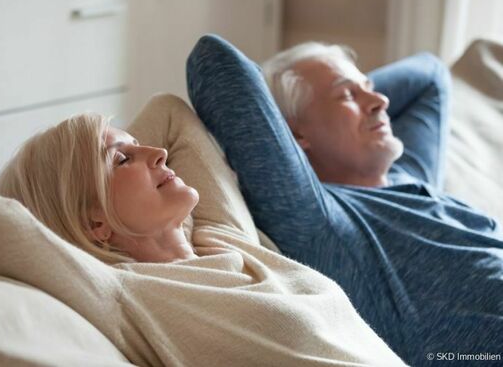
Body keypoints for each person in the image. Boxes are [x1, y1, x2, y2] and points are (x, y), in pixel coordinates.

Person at [0, 94, 405, 366]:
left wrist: (107, 162)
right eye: (121, 159)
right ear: (93, 221)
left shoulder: (220, 235)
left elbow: (169, 112)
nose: (158, 152)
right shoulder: (124, 294)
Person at [187, 34, 503, 366]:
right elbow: (214, 61)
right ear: (294, 136)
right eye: (347, 95)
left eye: (369, 85)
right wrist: (297, 113)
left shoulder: (411, 173)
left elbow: (431, 75)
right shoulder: (322, 221)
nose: (380, 99)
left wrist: (346, 97)